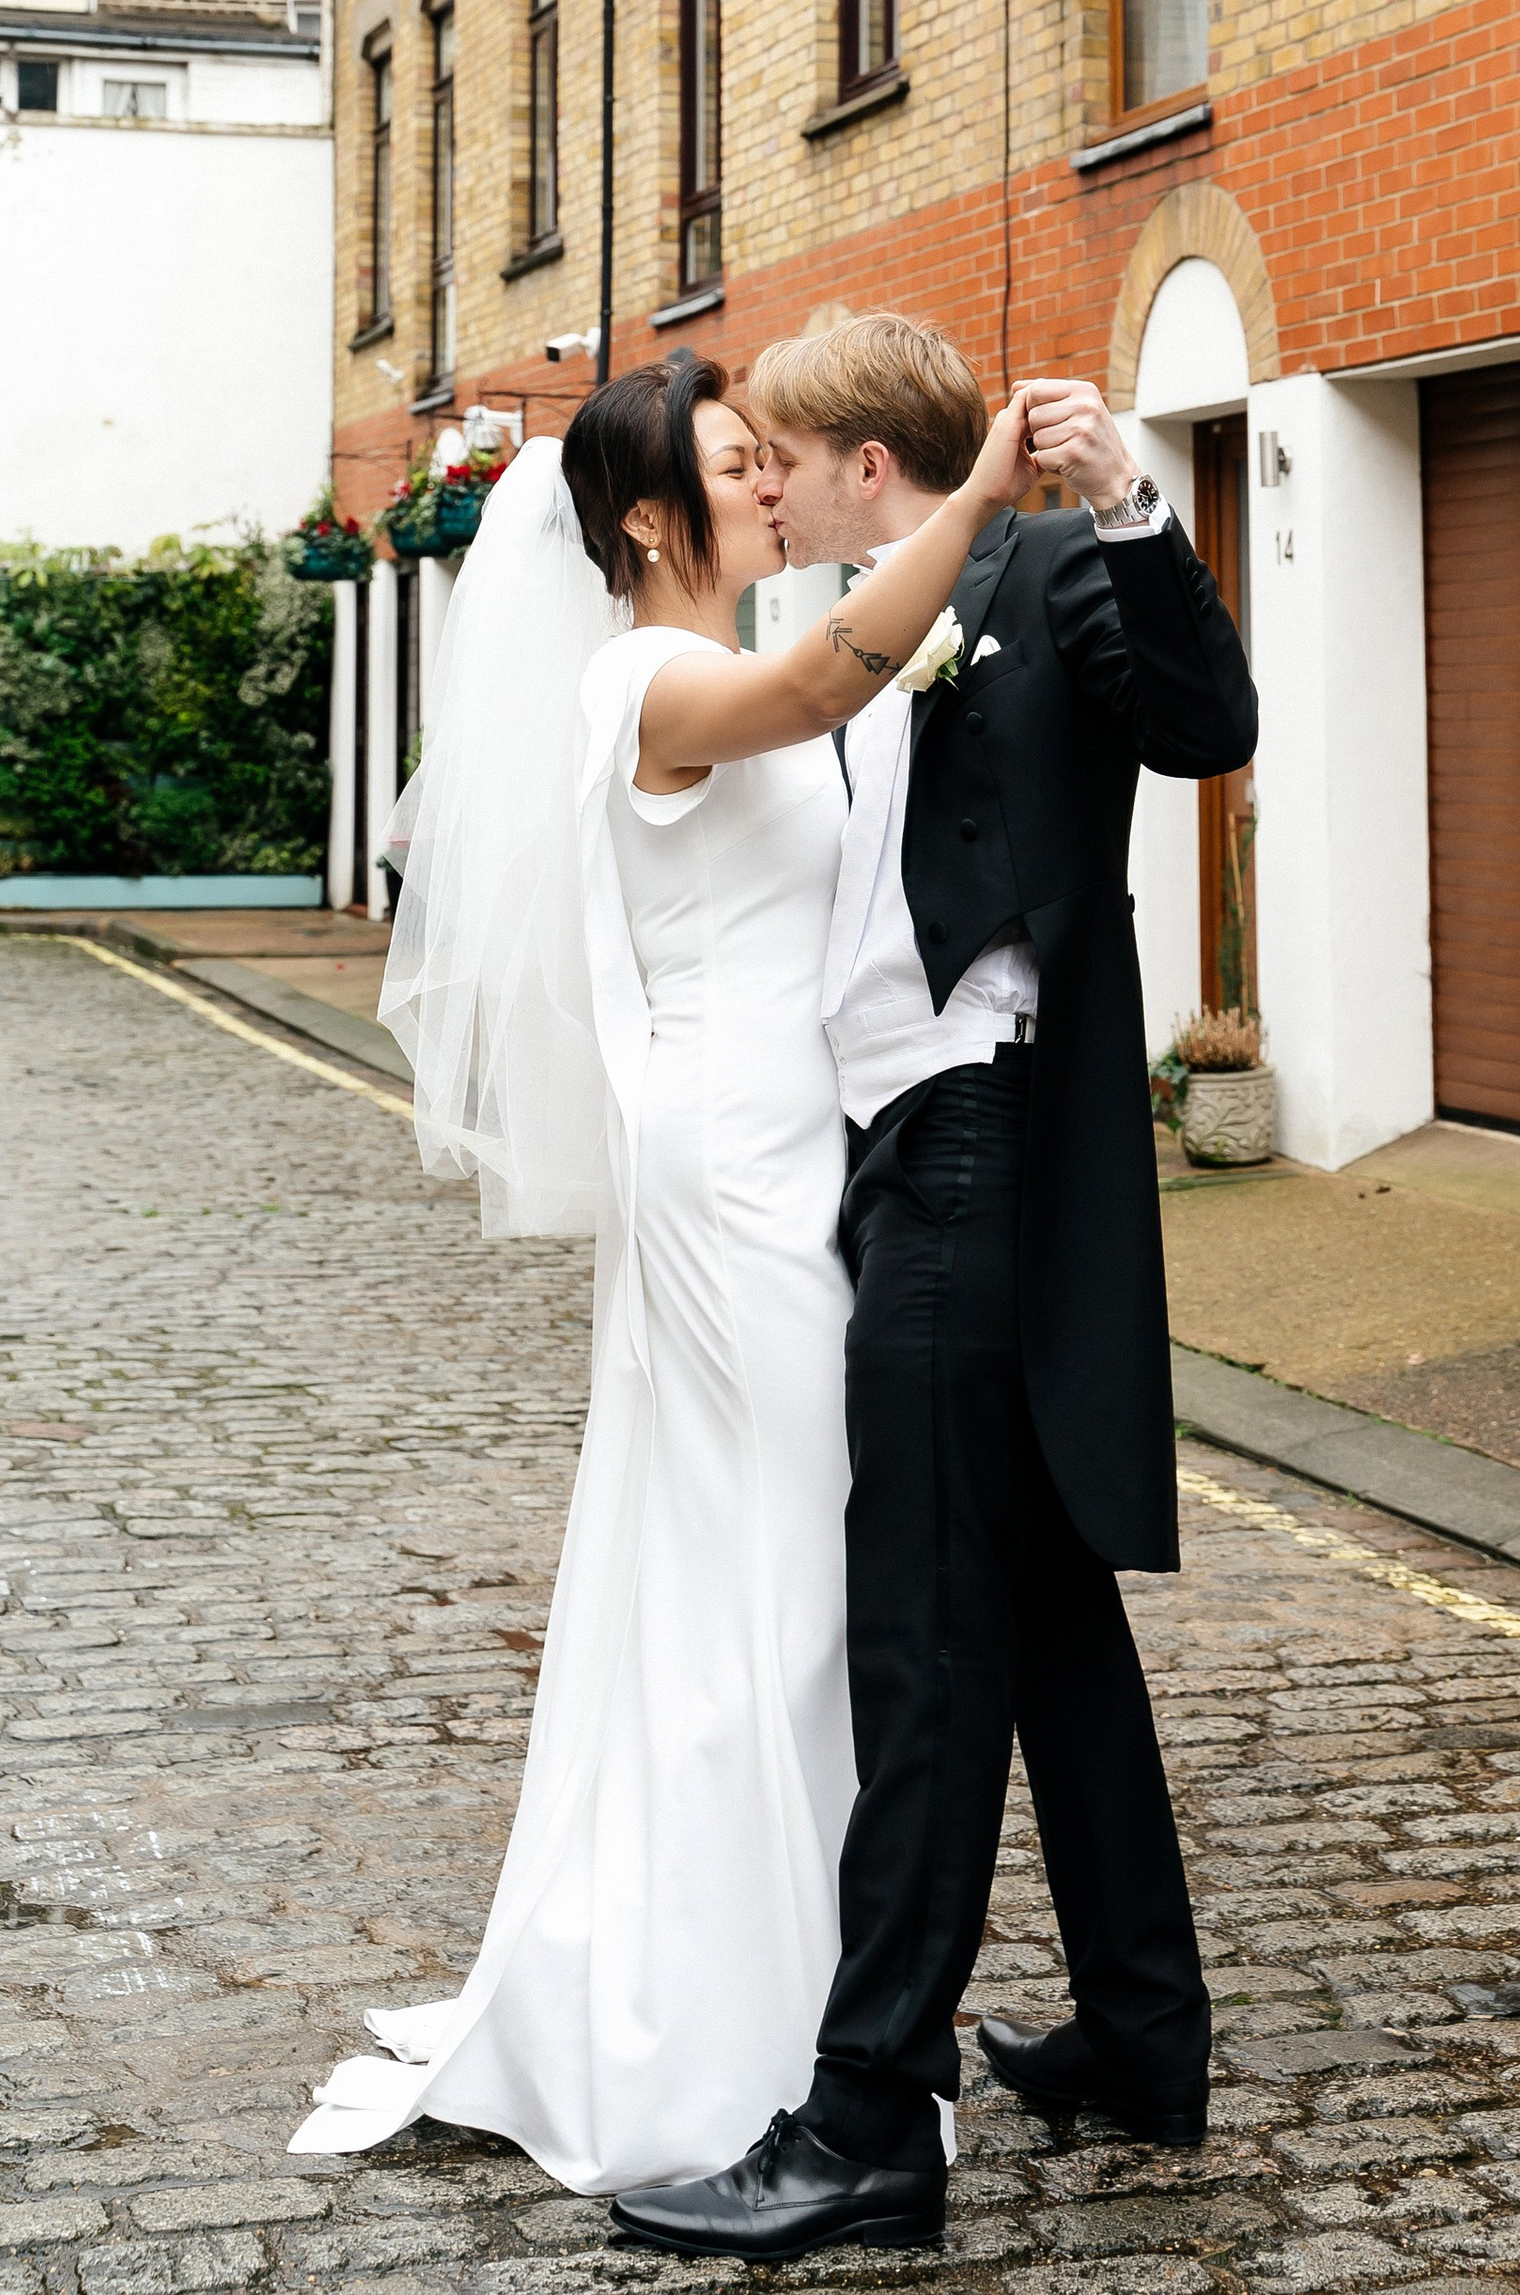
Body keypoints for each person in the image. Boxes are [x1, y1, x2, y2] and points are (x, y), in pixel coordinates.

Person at [290, 348, 1035, 2200]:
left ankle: (815, 2009)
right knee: (783, 1577)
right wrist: (979, 497)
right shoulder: (652, 678)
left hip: (810, 1148)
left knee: (776, 1568)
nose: (772, 484)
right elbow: (806, 681)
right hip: (732, 1171)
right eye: (733, 463)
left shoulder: (716, 661)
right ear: (647, 517)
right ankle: (754, 2033)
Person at [612, 313, 1260, 2265]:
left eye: (779, 459)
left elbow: (1206, 723)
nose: (761, 483)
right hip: (884, 1161)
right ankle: (1144, 2036)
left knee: (921, 1642)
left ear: (859, 462)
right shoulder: (846, 617)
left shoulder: (1047, 563)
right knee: (1043, 1600)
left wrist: (1131, 497)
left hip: (985, 1148)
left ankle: (866, 2112)